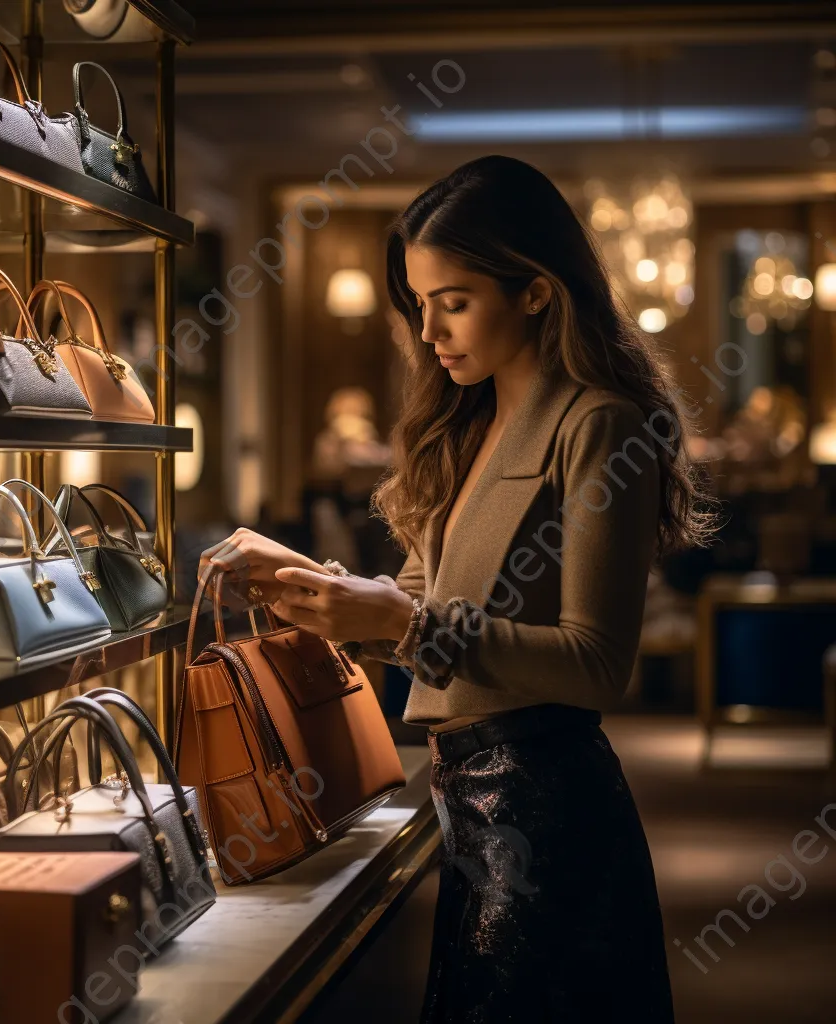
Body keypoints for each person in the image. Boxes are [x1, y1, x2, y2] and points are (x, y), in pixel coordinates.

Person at [199, 155, 717, 1023]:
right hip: (463, 803)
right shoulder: (463, 423)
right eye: (419, 302)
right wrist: (304, 580)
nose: (429, 330)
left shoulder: (598, 424)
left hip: (549, 804)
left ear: (537, 292)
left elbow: (596, 666)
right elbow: (408, 608)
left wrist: (403, 625)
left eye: (455, 300)